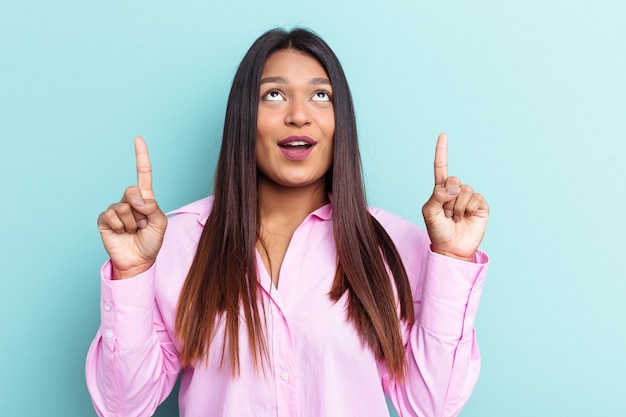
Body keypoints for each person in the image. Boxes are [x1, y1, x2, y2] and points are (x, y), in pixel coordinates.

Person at [86, 27, 489, 417]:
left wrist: (452, 258)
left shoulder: (395, 246)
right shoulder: (175, 243)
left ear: (340, 121)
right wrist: (133, 272)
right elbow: (124, 408)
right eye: (274, 95)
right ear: (245, 118)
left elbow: (431, 406)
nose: (299, 115)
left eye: (320, 95)